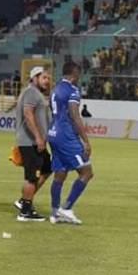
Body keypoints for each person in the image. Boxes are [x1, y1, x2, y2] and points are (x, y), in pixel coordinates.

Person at [47, 62, 94, 225]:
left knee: (60, 173)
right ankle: (66, 208)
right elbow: (74, 115)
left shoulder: (56, 88)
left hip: (53, 133)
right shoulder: (72, 90)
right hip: (66, 136)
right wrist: (86, 141)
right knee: (87, 172)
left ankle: (54, 213)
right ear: (75, 73)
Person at [13, 66, 53, 221]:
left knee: (47, 168)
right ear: (34, 78)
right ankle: (25, 212)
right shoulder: (31, 92)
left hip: (36, 142)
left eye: (48, 78)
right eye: (44, 77)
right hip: (30, 142)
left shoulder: (35, 93)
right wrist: (37, 137)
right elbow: (28, 114)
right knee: (32, 176)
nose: (47, 81)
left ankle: (24, 201)